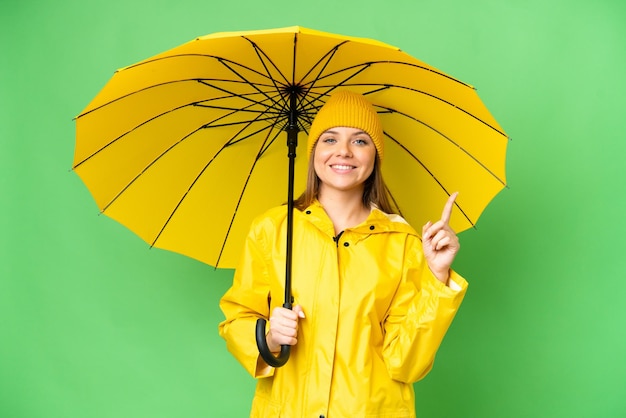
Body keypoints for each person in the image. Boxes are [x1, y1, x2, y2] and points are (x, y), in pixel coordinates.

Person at [219, 90, 468, 418]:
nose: (344, 152)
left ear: (375, 156)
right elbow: (238, 316)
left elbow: (406, 363)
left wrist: (437, 277)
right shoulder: (273, 229)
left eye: (361, 141)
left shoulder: (402, 242)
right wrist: (269, 337)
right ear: (313, 151)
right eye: (330, 139)